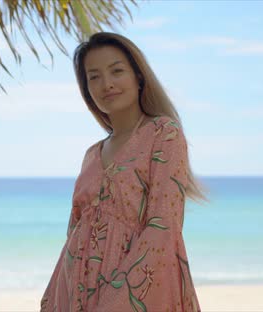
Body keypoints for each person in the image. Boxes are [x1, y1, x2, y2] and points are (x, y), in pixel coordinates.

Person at [41, 32, 208, 312]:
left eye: (116, 71)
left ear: (138, 76)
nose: (106, 84)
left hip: (139, 293)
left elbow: (163, 227)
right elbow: (74, 234)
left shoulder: (163, 134)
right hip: (77, 295)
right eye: (93, 77)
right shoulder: (91, 155)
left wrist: (115, 301)